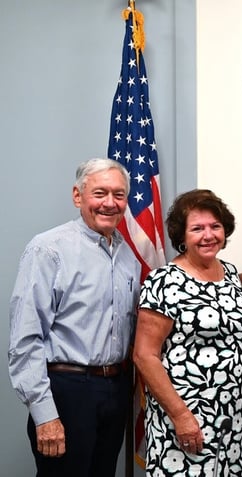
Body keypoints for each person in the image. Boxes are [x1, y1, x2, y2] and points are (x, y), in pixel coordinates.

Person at [8, 158, 140, 477]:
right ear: (78, 196)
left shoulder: (127, 256)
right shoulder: (48, 249)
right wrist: (45, 415)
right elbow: (25, 340)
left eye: (119, 195)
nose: (110, 203)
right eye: (100, 193)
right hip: (67, 391)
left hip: (115, 389)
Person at [133, 189, 242, 476]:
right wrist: (181, 416)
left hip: (231, 419)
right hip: (184, 419)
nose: (208, 235)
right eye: (197, 229)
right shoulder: (164, 281)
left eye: (215, 226)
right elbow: (144, 355)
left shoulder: (232, 274)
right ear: (182, 237)